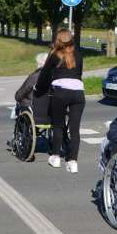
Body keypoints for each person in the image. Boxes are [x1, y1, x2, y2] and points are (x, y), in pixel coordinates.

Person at [34, 29, 85, 173]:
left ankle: (56, 157)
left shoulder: (54, 55)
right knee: (75, 129)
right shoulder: (79, 55)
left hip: (61, 92)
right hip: (78, 94)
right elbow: (78, 74)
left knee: (58, 125)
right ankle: (72, 161)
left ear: (58, 40)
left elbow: (44, 75)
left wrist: (38, 89)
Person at [14, 53, 51, 120]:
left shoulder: (34, 76)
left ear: (39, 63)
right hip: (50, 107)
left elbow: (21, 93)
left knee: (20, 99)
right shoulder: (55, 75)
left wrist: (17, 97)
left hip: (34, 108)